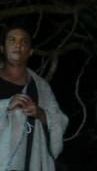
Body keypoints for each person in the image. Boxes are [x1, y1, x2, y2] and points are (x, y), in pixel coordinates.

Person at [0, 25, 69, 171]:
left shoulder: (41, 87)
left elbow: (59, 121)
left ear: (30, 52)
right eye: (12, 40)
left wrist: (41, 114)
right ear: (2, 48)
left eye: (24, 41)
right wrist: (5, 106)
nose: (18, 45)